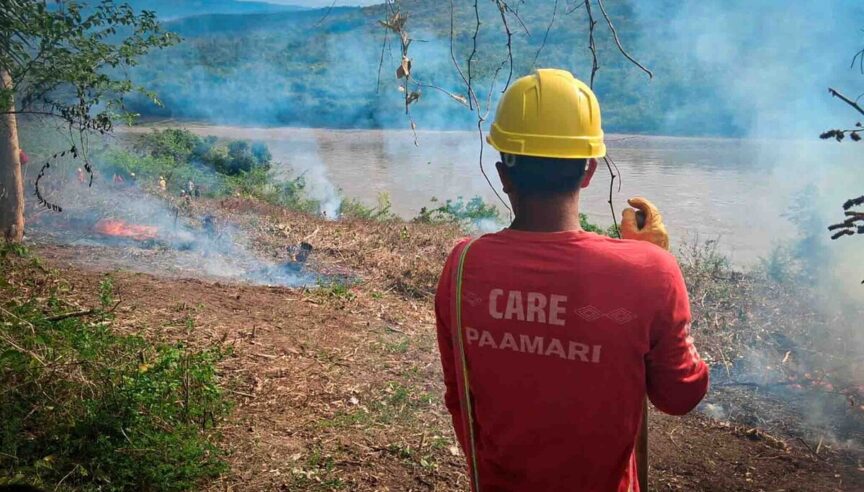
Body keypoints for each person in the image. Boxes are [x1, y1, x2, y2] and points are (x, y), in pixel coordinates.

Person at [435, 69, 709, 492]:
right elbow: (680, 395)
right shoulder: (649, 272)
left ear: (504, 175)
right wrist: (655, 258)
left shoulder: (463, 265)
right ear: (588, 172)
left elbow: (460, 397)